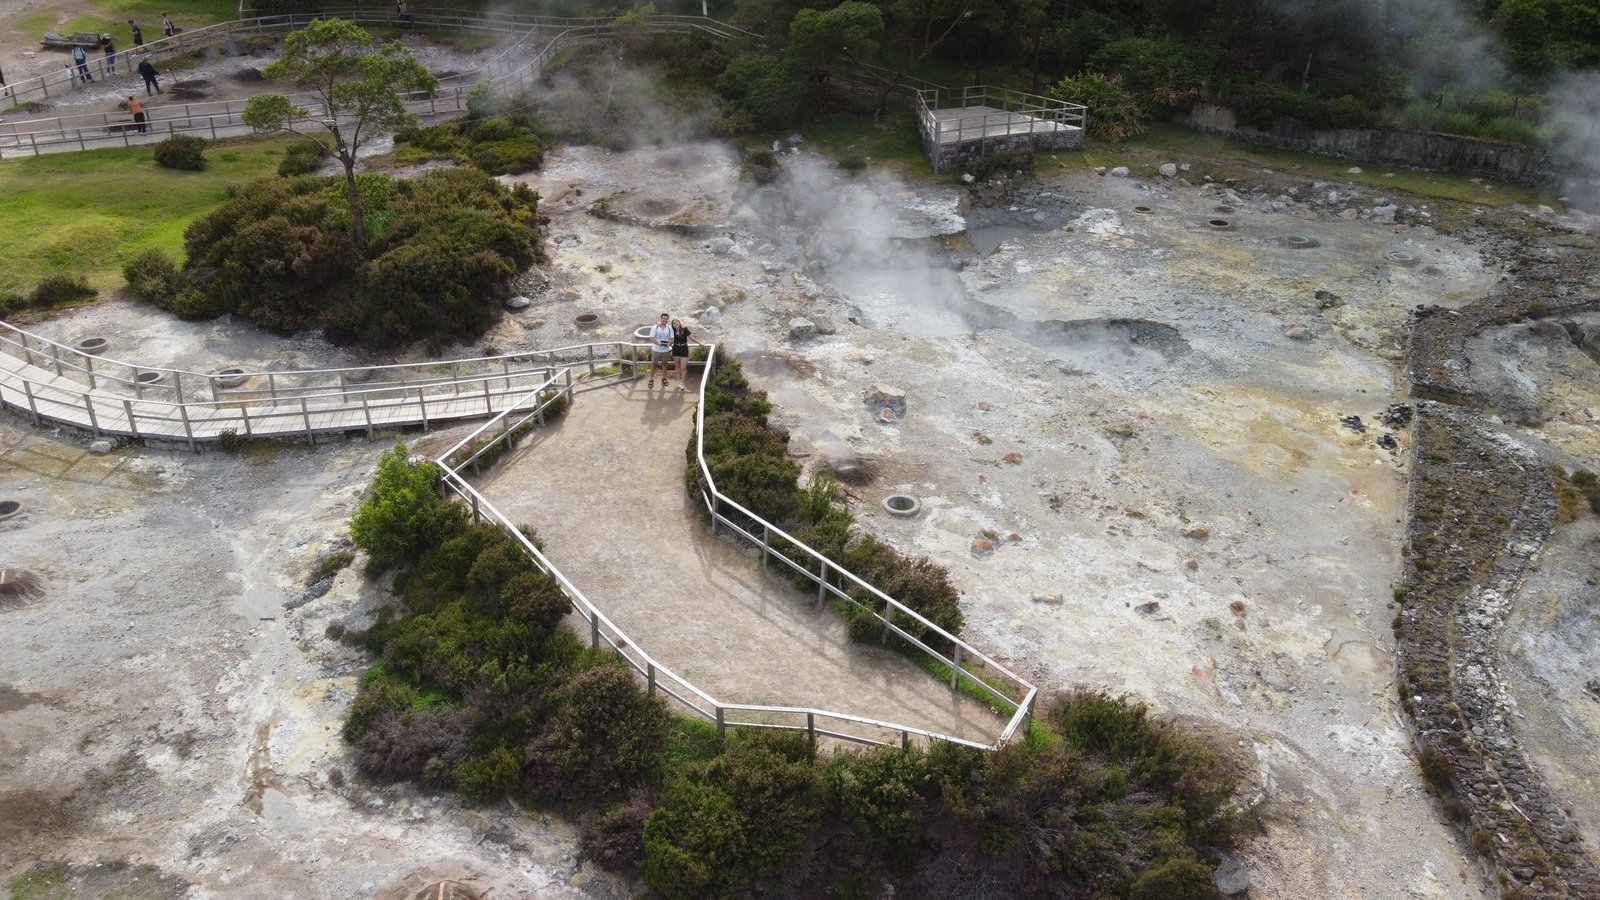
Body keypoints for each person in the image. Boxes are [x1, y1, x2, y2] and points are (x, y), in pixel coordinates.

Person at [670, 318, 702, 388]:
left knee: (683, 367)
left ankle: (683, 382)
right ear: (672, 325)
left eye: (676, 322)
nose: (675, 324)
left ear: (679, 322)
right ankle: (678, 381)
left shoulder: (685, 329)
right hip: (676, 349)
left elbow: (691, 338)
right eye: (674, 323)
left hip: (684, 349)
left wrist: (699, 343)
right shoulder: (672, 331)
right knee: (677, 366)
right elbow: (670, 340)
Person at [647, 312, 674, 388]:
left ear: (668, 320)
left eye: (666, 318)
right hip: (655, 349)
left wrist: (669, 343)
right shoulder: (655, 327)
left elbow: (672, 339)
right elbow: (651, 338)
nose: (664, 320)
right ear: (661, 319)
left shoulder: (669, 328)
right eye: (663, 318)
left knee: (665, 364)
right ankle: (651, 379)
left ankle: (664, 378)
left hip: (665, 350)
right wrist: (658, 343)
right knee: (653, 364)